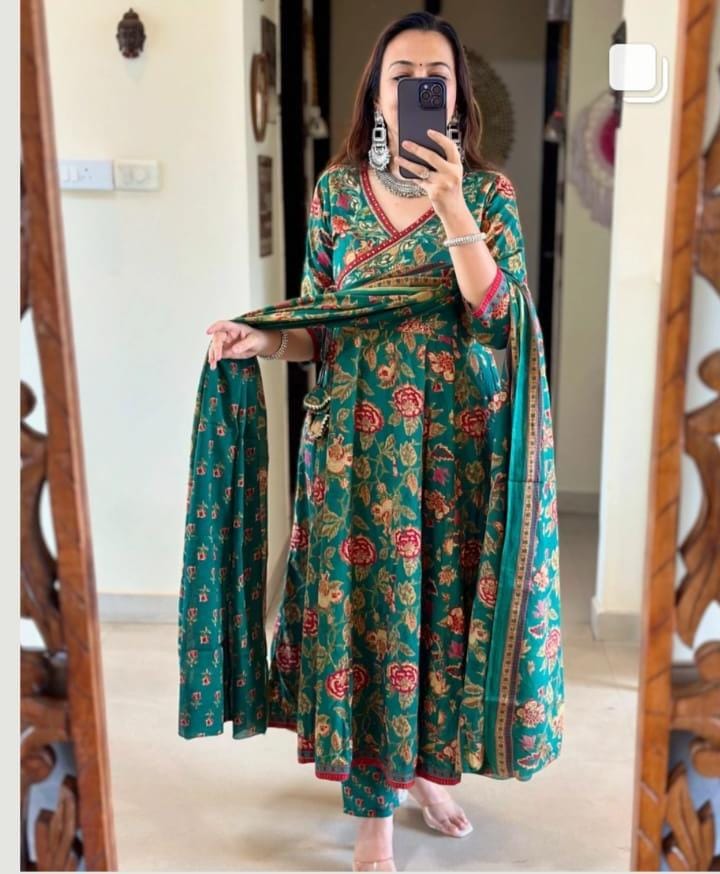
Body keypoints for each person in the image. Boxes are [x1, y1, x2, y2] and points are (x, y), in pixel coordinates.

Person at [178, 11, 564, 873]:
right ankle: (372, 813)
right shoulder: (334, 193)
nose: (419, 86)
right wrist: (261, 339)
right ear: (377, 94)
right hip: (349, 452)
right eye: (402, 74)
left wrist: (452, 204)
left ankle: (422, 774)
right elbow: (320, 325)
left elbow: (498, 317)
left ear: (456, 96)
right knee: (362, 623)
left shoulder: (488, 195)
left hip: (449, 453)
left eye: (436, 75)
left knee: (430, 618)